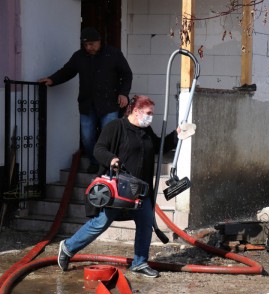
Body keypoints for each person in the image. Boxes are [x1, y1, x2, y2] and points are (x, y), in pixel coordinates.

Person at [57, 95, 180, 278]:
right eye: (148, 113)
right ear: (136, 111)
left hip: (140, 190)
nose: (151, 117)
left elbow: (157, 147)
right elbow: (99, 149)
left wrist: (177, 135)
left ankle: (139, 262)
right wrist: (111, 159)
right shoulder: (116, 127)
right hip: (119, 190)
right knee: (101, 223)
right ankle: (67, 248)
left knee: (145, 223)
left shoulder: (146, 131)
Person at [39, 27, 133, 173]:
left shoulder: (113, 54)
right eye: (86, 44)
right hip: (87, 104)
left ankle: (108, 165)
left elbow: (127, 75)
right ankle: (95, 161)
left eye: (92, 44)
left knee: (109, 136)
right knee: (87, 137)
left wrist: (123, 94)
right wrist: (52, 79)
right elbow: (67, 71)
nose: (88, 47)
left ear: (99, 42)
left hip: (109, 103)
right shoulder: (79, 56)